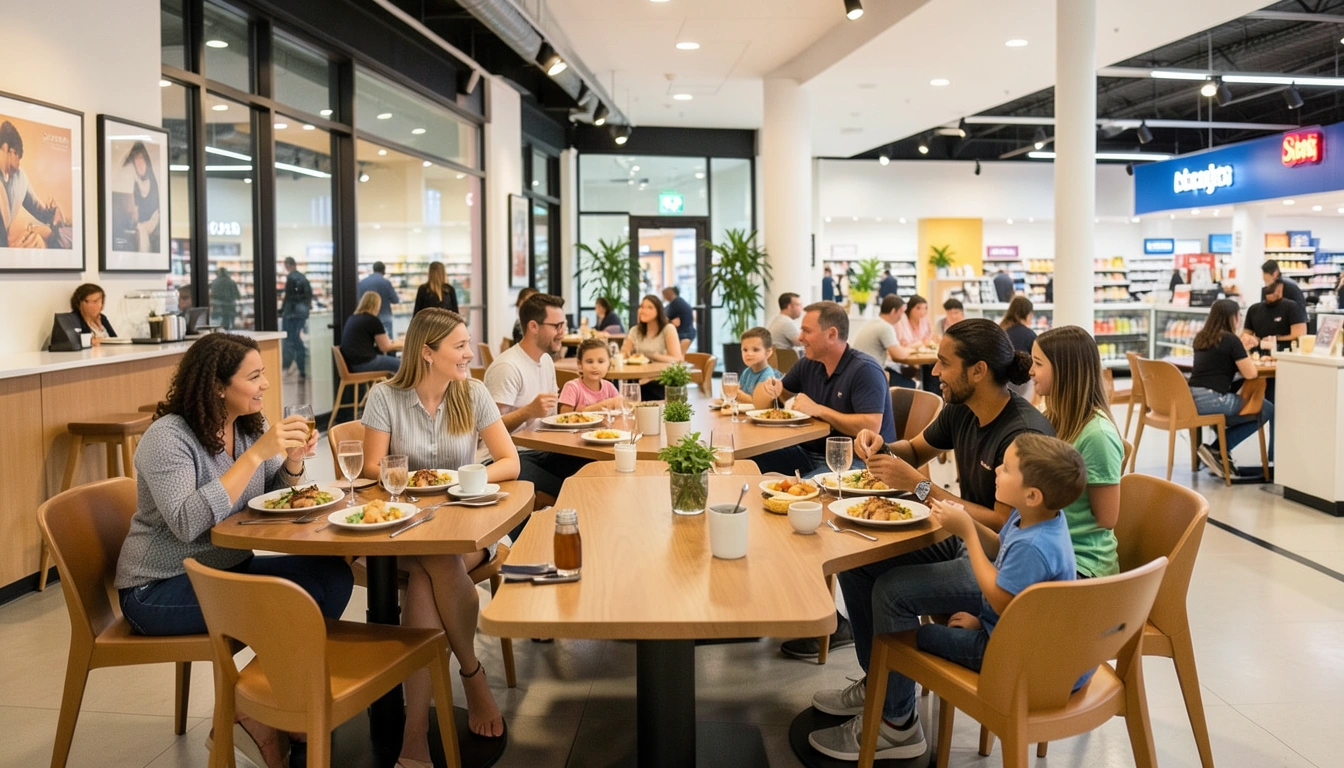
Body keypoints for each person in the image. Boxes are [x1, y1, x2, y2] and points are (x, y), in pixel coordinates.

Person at [806, 319, 1054, 757]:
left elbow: (1001, 526)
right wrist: (879, 446)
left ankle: (897, 723)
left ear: (977, 370)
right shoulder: (962, 406)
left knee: (893, 591)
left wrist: (918, 486)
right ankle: (880, 682)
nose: (935, 371)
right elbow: (916, 450)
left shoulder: (1023, 433)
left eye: (944, 362)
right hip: (960, 534)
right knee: (857, 556)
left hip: (1005, 560)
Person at [114, 333, 353, 768]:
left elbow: (267, 500)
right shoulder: (168, 438)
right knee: (294, 604)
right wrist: (256, 456)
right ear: (218, 386)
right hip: (158, 589)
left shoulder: (242, 426)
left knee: (331, 576)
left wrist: (293, 462)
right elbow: (187, 523)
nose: (265, 385)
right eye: (255, 376)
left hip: (226, 569)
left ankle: (267, 703)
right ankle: (257, 711)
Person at [808, 434, 1087, 761]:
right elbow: (1003, 559)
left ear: (1032, 494)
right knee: (879, 582)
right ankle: (883, 694)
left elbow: (1000, 597)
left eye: (1007, 469)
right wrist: (965, 524)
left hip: (1010, 657)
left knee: (909, 636)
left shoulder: (1034, 546)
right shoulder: (1038, 519)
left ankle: (894, 723)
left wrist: (967, 532)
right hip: (1018, 636)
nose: (997, 469)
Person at [360, 309, 519, 752]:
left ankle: (415, 730)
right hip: (400, 529)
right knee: (438, 566)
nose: (470, 353)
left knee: (433, 573)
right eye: (460, 346)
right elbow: (373, 467)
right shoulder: (384, 396)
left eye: (468, 344)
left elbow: (510, 461)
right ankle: (473, 677)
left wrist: (463, 482)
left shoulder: (473, 393)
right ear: (427, 352)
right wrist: (417, 480)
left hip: (465, 525)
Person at [752, 301, 895, 477]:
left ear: (831, 334)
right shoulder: (808, 363)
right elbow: (778, 396)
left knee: (798, 494)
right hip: (808, 453)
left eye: (807, 331)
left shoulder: (865, 370)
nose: (800, 337)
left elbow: (871, 426)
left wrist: (819, 410)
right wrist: (767, 389)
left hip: (856, 461)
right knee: (751, 461)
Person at [1030, 326, 1123, 578]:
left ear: (1064, 371)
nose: (1030, 371)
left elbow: (1107, 518)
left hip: (1081, 562)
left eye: (1038, 363)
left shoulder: (1097, 436)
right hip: (1050, 548)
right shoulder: (1051, 418)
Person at [487, 293, 589, 501]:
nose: (562, 332)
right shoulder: (508, 367)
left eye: (564, 325)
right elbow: (487, 431)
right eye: (557, 326)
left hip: (542, 450)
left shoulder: (546, 360)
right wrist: (529, 411)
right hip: (507, 459)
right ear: (533, 326)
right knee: (574, 489)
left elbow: (552, 418)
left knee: (592, 470)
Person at [1189, 298, 1273, 479]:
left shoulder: (1201, 338)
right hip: (1214, 399)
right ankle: (1217, 449)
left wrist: (1241, 348)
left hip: (1191, 399)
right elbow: (1250, 373)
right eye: (1238, 316)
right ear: (1233, 318)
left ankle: (1217, 450)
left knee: (1246, 409)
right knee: (1265, 408)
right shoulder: (1231, 340)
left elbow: (1221, 363)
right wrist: (1244, 350)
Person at [0, 120, 67, 248]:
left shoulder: (20, 177)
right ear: (6, 149)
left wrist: (53, 210)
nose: (19, 163)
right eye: (17, 155)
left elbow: (41, 212)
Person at [851, 294, 917, 389]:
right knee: (910, 384)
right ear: (894, 311)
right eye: (901, 312)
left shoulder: (874, 322)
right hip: (871, 374)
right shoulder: (885, 327)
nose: (902, 317)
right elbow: (899, 355)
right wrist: (912, 350)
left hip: (862, 371)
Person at [340, 291, 403, 374]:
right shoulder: (372, 320)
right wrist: (402, 344)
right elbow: (385, 347)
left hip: (353, 364)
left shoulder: (353, 318)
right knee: (403, 365)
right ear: (376, 305)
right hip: (365, 363)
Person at [559, 338, 622, 413]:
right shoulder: (572, 387)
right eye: (589, 361)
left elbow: (621, 409)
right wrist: (601, 406)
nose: (595, 366)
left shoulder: (610, 388)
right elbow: (564, 417)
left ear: (609, 364)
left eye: (600, 361)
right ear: (580, 364)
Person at [1244, 280, 1308, 351]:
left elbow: (1299, 334)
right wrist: (1251, 340)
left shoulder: (1292, 307)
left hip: (1286, 352)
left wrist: (1274, 338)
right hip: (1259, 353)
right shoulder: (1254, 309)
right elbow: (1246, 333)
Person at [623, 294, 684, 363]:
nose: (643, 311)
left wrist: (652, 356)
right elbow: (624, 353)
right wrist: (623, 354)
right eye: (641, 307)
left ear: (658, 311)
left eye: (649, 308)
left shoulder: (668, 328)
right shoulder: (635, 330)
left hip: (661, 372)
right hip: (639, 371)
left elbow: (678, 359)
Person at [123, 141, 161, 253]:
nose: (138, 164)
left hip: (154, 225)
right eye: (136, 161)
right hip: (141, 227)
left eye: (141, 160)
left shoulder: (155, 183)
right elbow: (134, 211)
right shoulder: (135, 185)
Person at [279, 256, 312, 381]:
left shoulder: (291, 277)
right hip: (302, 314)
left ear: (288, 265)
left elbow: (289, 297)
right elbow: (308, 296)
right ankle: (301, 368)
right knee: (298, 341)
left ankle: (290, 367)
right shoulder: (303, 278)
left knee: (290, 341)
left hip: (292, 314)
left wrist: (282, 310)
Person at [1000, 296, 1037, 400]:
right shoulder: (1030, 335)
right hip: (1022, 387)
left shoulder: (1001, 330)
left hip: (999, 383)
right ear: (1028, 314)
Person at [734, 326, 783, 403]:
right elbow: (737, 392)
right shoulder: (746, 372)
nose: (749, 354)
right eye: (745, 350)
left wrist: (741, 396)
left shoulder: (768, 376)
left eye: (755, 350)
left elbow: (761, 404)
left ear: (768, 352)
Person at [356, 261, 400, 337]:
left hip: (366, 318)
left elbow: (358, 300)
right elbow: (395, 300)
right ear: (384, 270)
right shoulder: (386, 282)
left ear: (373, 269)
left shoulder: (363, 282)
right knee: (387, 343)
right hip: (385, 317)